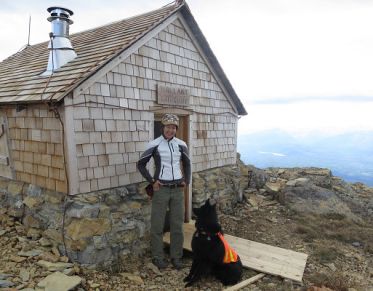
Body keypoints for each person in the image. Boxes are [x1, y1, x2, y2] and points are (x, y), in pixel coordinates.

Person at [137, 113, 191, 270]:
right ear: (163, 127)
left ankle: (177, 257)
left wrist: (186, 181)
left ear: (176, 129)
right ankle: (157, 257)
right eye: (168, 126)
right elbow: (141, 164)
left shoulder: (182, 144)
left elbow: (187, 164)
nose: (171, 130)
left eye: (174, 127)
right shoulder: (154, 144)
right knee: (157, 225)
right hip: (161, 189)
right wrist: (152, 181)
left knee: (177, 225)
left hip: (177, 190)